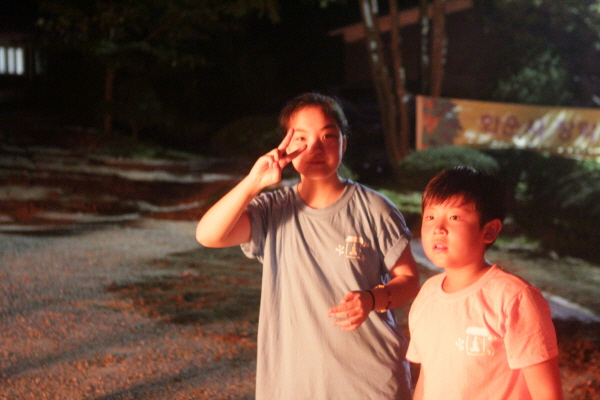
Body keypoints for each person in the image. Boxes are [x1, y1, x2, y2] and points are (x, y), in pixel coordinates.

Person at [196, 92, 420, 399]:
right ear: (285, 146)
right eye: (301, 138)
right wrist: (253, 182)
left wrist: (372, 299)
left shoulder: (375, 209)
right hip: (294, 380)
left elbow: (409, 280)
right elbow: (209, 235)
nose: (315, 147)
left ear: (343, 143)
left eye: (328, 136)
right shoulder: (272, 210)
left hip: (369, 381)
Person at [406, 166, 563, 400]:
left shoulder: (513, 298)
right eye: (430, 216)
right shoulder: (427, 295)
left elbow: (547, 394)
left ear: (489, 231)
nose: (438, 229)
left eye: (454, 217)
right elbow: (427, 379)